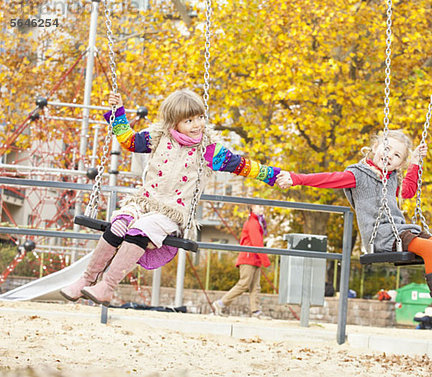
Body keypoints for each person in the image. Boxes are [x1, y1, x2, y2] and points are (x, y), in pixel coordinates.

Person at [61, 89, 281, 306]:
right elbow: (129, 141)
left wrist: (273, 175)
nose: (197, 125)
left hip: (172, 212)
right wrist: (118, 112)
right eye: (189, 120)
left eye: (200, 118)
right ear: (174, 122)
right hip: (145, 202)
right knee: (119, 224)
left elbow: (242, 165)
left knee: (143, 228)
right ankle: (86, 280)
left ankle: (107, 286)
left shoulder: (209, 150)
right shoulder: (157, 137)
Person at [276, 130, 432, 332]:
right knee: (430, 248)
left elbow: (408, 192)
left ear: (400, 164)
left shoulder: (392, 177)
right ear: (375, 146)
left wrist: (416, 162)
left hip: (399, 231)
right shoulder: (358, 174)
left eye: (397, 155)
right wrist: (296, 179)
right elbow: (329, 179)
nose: (389, 156)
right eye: (386, 149)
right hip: (381, 236)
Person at [213, 204, 271, 318]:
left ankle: (256, 311)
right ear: (252, 208)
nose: (262, 209)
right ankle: (221, 303)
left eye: (263, 207)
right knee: (244, 284)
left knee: (255, 286)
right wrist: (265, 260)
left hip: (255, 258)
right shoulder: (253, 223)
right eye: (259, 206)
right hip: (248, 257)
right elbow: (256, 243)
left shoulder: (258, 221)